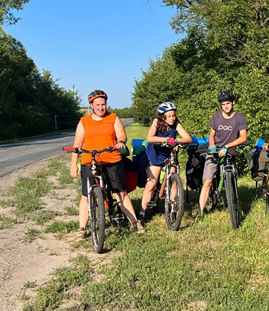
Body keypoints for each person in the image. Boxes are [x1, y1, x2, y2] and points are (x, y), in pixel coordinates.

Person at [69, 90, 144, 237]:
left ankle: (135, 222)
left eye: (103, 104)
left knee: (120, 193)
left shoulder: (113, 118)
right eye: (97, 105)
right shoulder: (84, 121)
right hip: (89, 160)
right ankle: (82, 228)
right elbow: (77, 144)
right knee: (86, 194)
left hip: (112, 160)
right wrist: (74, 165)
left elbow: (121, 134)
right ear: (91, 105)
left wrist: (121, 142)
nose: (101, 108)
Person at [198, 91, 249, 218]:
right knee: (207, 181)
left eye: (228, 103)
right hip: (215, 152)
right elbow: (212, 134)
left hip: (229, 152)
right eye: (223, 104)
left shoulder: (239, 117)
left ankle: (233, 205)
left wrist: (227, 146)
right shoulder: (216, 116)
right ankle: (201, 212)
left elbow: (243, 137)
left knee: (230, 180)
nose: (226, 106)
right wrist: (212, 145)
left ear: (233, 103)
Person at [139, 102, 193, 221]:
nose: (172, 118)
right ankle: (141, 214)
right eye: (169, 116)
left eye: (173, 115)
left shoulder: (176, 123)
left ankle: (173, 209)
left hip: (169, 153)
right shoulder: (157, 122)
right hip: (156, 154)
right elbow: (150, 138)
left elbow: (187, 138)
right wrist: (166, 139)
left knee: (174, 179)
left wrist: (177, 140)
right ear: (163, 116)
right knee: (151, 184)